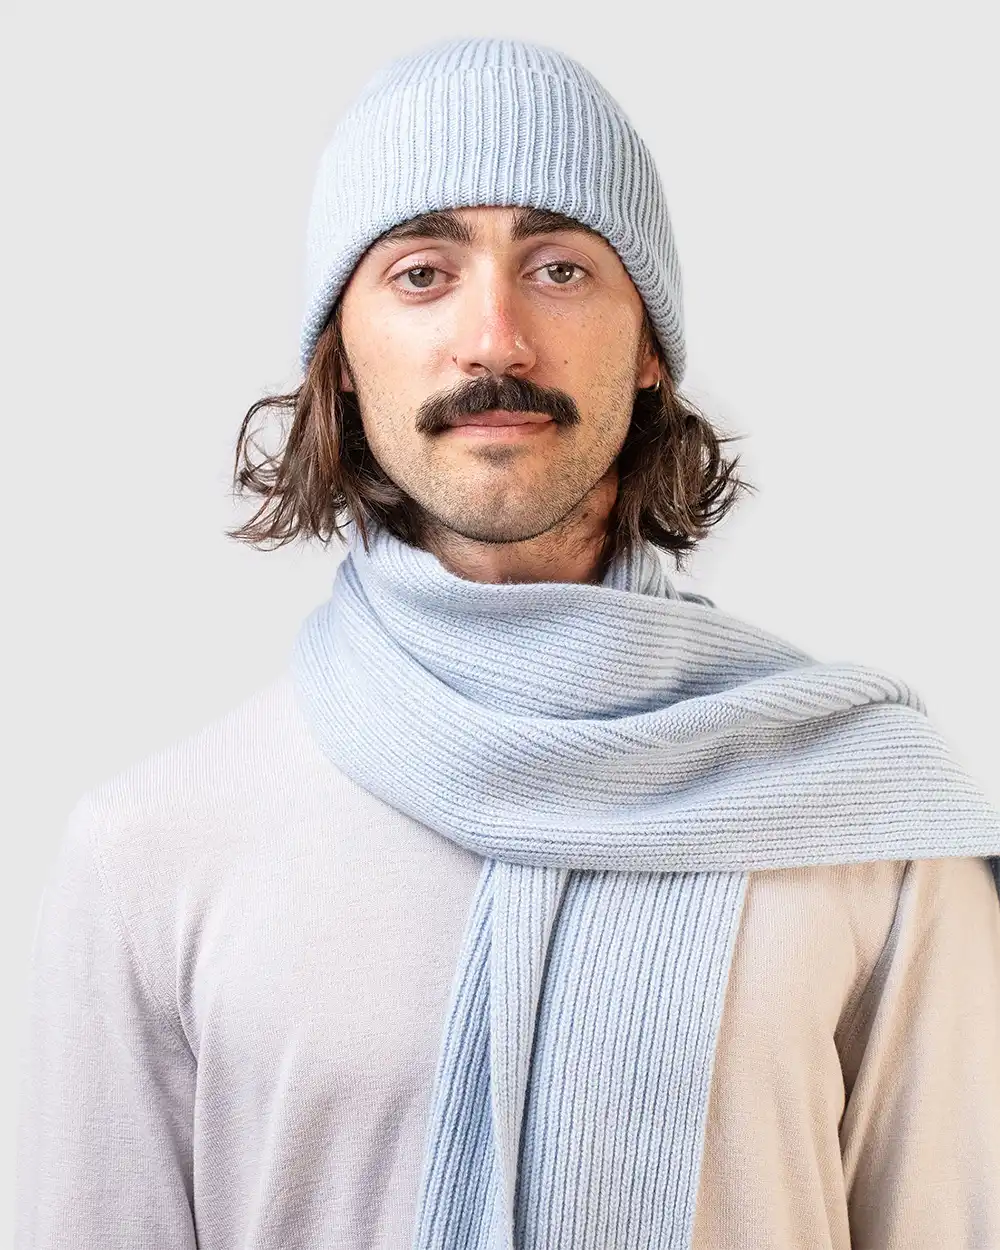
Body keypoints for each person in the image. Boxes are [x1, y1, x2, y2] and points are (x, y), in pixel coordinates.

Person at [15, 34, 1000, 1250]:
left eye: (559, 267)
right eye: (421, 273)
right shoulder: (150, 856)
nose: (493, 339)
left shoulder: (870, 830)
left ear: (651, 346)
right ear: (341, 356)